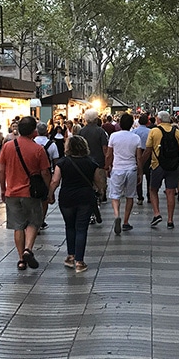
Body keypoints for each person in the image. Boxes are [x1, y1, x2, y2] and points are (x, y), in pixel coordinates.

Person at [0, 116, 51, 271]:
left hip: (12, 192)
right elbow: (45, 173)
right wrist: (49, 191)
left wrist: (3, 189)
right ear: (34, 131)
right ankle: (28, 248)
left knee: (18, 226)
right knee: (35, 221)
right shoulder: (38, 149)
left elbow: (1, 169)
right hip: (31, 193)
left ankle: (21, 259)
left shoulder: (8, 146)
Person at [48, 135, 105, 273]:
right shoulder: (91, 163)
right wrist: (100, 191)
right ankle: (79, 262)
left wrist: (50, 194)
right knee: (81, 229)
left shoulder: (62, 163)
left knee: (69, 226)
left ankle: (70, 256)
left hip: (67, 198)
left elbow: (55, 181)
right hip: (85, 198)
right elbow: (99, 182)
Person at [141, 111, 179, 229]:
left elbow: (147, 151)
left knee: (153, 189)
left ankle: (157, 214)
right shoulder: (176, 132)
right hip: (173, 165)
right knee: (170, 192)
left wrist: (139, 164)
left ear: (159, 120)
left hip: (157, 165)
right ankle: (170, 220)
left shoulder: (154, 131)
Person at [105, 112, 143, 234]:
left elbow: (109, 155)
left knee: (115, 195)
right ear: (132, 123)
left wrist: (107, 167)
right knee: (130, 196)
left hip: (117, 169)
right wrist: (140, 172)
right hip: (131, 169)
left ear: (120, 124)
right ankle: (126, 222)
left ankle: (117, 215)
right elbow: (139, 158)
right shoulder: (136, 138)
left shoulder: (114, 136)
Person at [79, 108, 109, 214]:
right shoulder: (101, 131)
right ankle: (97, 203)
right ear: (96, 119)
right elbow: (105, 148)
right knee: (99, 185)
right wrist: (107, 162)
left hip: (84, 162)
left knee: (87, 184)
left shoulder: (81, 131)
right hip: (98, 163)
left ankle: (89, 205)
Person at [35, 121, 60, 230]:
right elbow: (56, 161)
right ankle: (41, 220)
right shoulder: (52, 144)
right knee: (44, 198)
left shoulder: (32, 142)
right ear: (46, 131)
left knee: (34, 197)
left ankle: (34, 219)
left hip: (33, 173)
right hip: (46, 171)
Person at [132, 113, 151, 204]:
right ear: (147, 122)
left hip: (137, 154)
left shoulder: (134, 132)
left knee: (138, 176)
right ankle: (150, 195)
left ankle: (140, 197)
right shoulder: (150, 131)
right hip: (148, 154)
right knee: (149, 177)